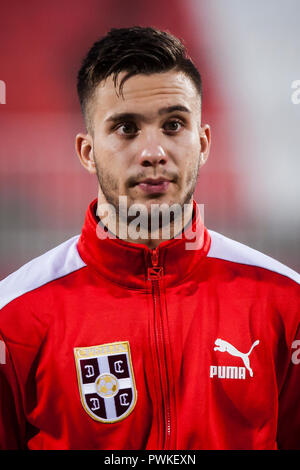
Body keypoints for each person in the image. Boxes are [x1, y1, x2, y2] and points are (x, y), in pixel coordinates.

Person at [0, 26, 299, 451]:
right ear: (87, 151)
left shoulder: (286, 302)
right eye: (126, 128)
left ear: (203, 141)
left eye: (173, 124)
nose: (153, 152)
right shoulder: (13, 317)